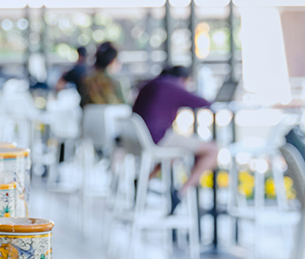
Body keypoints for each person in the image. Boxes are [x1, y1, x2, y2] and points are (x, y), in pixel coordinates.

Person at [133, 65, 217, 201]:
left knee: (174, 153)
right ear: (183, 79)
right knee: (213, 150)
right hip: (155, 139)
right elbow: (202, 103)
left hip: (136, 139)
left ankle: (145, 180)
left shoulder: (149, 84)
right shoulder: (173, 86)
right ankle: (181, 194)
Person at [78, 42, 127, 107]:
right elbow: (125, 106)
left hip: (90, 116)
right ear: (112, 61)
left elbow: (82, 105)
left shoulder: (86, 81)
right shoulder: (116, 83)